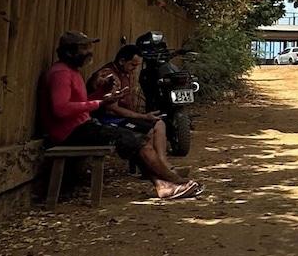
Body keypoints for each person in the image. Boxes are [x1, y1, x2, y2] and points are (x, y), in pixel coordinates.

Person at [40, 31, 201, 202]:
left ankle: (164, 184)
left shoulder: (73, 71)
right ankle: (173, 181)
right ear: (69, 51)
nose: (89, 52)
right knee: (136, 141)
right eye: (84, 48)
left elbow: (82, 102)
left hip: (82, 126)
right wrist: (100, 104)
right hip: (70, 133)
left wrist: (103, 96)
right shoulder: (61, 74)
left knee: (135, 141)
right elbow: (61, 109)